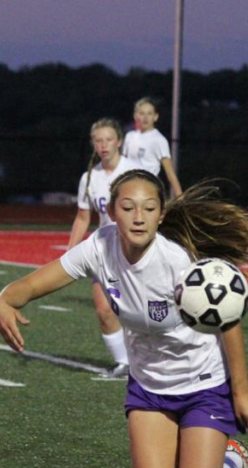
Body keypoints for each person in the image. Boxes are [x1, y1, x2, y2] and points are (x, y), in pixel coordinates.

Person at [0, 169, 248, 468]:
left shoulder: (181, 261)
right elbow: (33, 283)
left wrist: (242, 391)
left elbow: (229, 321)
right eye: (127, 207)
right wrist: (5, 300)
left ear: (162, 215)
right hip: (149, 388)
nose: (138, 217)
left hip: (203, 384)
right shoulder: (100, 247)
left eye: (149, 208)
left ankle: (233, 461)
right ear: (110, 211)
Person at [68, 118, 141, 377]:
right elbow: (82, 217)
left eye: (108, 139)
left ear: (119, 141)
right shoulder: (89, 177)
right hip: (104, 249)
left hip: (134, 249)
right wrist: (70, 252)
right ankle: (124, 363)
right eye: (98, 140)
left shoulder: (134, 172)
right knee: (103, 310)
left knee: (139, 308)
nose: (103, 145)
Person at [121, 97, 184, 197]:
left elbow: (170, 173)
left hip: (148, 188)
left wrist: (181, 197)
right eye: (142, 113)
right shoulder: (130, 136)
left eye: (149, 114)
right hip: (130, 188)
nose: (145, 117)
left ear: (155, 117)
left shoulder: (159, 140)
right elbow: (122, 164)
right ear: (136, 116)